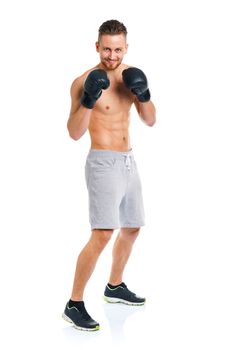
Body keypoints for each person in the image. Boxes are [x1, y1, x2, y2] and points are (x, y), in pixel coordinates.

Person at [62, 19, 156, 331]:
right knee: (103, 233)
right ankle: (74, 303)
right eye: (106, 48)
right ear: (97, 46)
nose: (112, 55)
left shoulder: (132, 76)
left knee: (131, 228)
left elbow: (151, 120)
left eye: (118, 49)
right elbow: (75, 133)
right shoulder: (82, 81)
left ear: (125, 48)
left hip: (129, 161)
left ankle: (114, 286)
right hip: (102, 162)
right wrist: (88, 99)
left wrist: (143, 93)